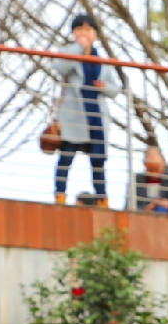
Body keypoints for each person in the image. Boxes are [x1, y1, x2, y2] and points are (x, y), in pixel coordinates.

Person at [51, 13, 120, 206]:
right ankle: (60, 196)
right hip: (74, 116)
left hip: (96, 116)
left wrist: (104, 87)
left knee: (98, 161)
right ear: (73, 32)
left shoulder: (102, 61)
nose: (84, 33)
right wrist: (78, 48)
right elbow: (59, 68)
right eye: (79, 29)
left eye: (88, 29)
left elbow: (115, 90)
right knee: (66, 156)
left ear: (95, 34)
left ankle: (102, 199)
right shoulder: (68, 52)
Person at [131, 146, 168, 214]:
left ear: (163, 164)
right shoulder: (136, 180)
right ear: (145, 164)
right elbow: (128, 206)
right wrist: (147, 208)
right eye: (150, 169)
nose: (153, 173)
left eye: (156, 169)